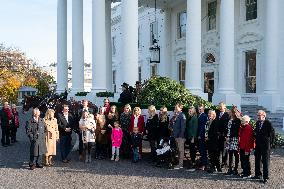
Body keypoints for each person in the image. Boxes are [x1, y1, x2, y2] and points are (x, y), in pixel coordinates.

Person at [253, 110, 275, 183]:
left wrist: (271, 144)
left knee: (265, 161)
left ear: (264, 116)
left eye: (259, 115)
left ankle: (266, 177)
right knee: (257, 159)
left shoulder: (268, 123)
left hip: (265, 145)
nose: (258, 117)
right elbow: (257, 131)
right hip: (258, 144)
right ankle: (257, 174)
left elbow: (272, 134)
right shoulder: (257, 123)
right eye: (257, 115)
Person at [225, 107, 241, 175]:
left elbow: (236, 131)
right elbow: (228, 129)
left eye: (230, 112)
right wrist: (227, 137)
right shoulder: (230, 120)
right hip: (229, 138)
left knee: (236, 154)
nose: (229, 113)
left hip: (235, 138)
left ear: (233, 113)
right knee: (230, 154)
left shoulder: (238, 120)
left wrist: (230, 136)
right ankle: (230, 169)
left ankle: (236, 169)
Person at [171, 103, 186, 170]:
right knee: (179, 150)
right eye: (175, 107)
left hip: (180, 137)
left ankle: (180, 164)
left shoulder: (182, 115)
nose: (175, 108)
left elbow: (183, 127)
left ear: (180, 108)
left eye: (176, 107)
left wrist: (180, 136)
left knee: (181, 150)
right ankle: (179, 164)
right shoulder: (177, 115)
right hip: (176, 136)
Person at [216, 102, 230, 167]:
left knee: (224, 150)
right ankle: (218, 162)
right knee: (218, 149)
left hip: (224, 135)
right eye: (219, 106)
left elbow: (228, 125)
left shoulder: (227, 115)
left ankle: (224, 163)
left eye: (221, 106)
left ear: (224, 107)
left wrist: (226, 135)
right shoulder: (217, 113)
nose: (220, 107)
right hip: (218, 134)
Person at [197, 104, 208, 170]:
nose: (199, 110)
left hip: (202, 136)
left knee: (203, 150)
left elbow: (203, 127)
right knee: (201, 150)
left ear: (203, 109)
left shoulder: (204, 116)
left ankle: (204, 165)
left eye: (200, 109)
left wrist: (200, 135)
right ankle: (203, 164)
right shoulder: (200, 115)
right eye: (198, 109)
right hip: (200, 135)